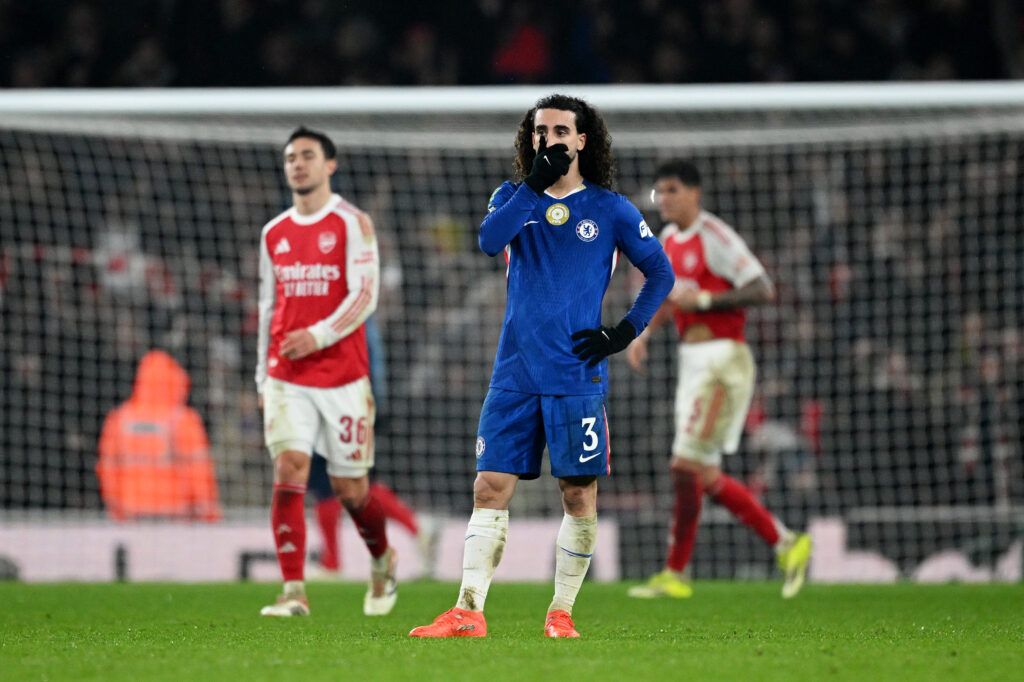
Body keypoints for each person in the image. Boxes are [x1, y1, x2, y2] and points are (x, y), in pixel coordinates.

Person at [409, 94, 673, 639]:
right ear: (530, 140)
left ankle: (561, 613)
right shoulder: (511, 197)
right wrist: (532, 185)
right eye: (539, 131)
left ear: (581, 140)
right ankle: (468, 610)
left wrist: (624, 331)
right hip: (514, 372)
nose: (548, 138)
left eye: (560, 130)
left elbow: (661, 273)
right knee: (488, 486)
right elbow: (488, 242)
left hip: (576, 372)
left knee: (577, 494)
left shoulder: (611, 208)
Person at [625, 160, 811, 600]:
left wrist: (706, 299)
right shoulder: (669, 240)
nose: (663, 199)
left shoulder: (716, 237)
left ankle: (680, 569)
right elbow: (669, 296)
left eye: (671, 190)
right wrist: (645, 331)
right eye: (659, 191)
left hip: (724, 362)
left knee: (685, 465)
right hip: (692, 362)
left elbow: (763, 288)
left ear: (694, 193)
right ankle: (783, 544)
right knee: (699, 472)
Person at [256, 126, 393, 617]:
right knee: (288, 470)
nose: (298, 164)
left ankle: (382, 559)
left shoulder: (354, 223)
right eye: (291, 157)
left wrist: (318, 334)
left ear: (329, 165)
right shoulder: (274, 232)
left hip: (342, 376)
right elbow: (268, 307)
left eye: (308, 155)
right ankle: (294, 593)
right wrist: (260, 376)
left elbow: (364, 296)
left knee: (350, 489)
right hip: (286, 376)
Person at [97, 349, 222, 522]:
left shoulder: (119, 419)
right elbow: (198, 470)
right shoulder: (183, 419)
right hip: (176, 514)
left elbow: (108, 469)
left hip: (131, 514)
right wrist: (208, 510)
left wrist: (115, 506)